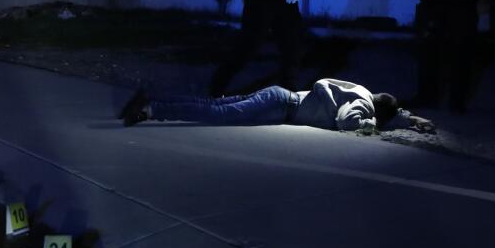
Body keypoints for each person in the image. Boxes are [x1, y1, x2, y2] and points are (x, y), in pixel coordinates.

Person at [119, 79, 435, 134]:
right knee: (218, 114)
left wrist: (412, 120)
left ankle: (151, 98)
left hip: (279, 97)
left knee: (214, 104)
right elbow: (347, 123)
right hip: (281, 106)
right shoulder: (362, 108)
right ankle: (151, 110)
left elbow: (395, 113)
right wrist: (371, 127)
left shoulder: (361, 91)